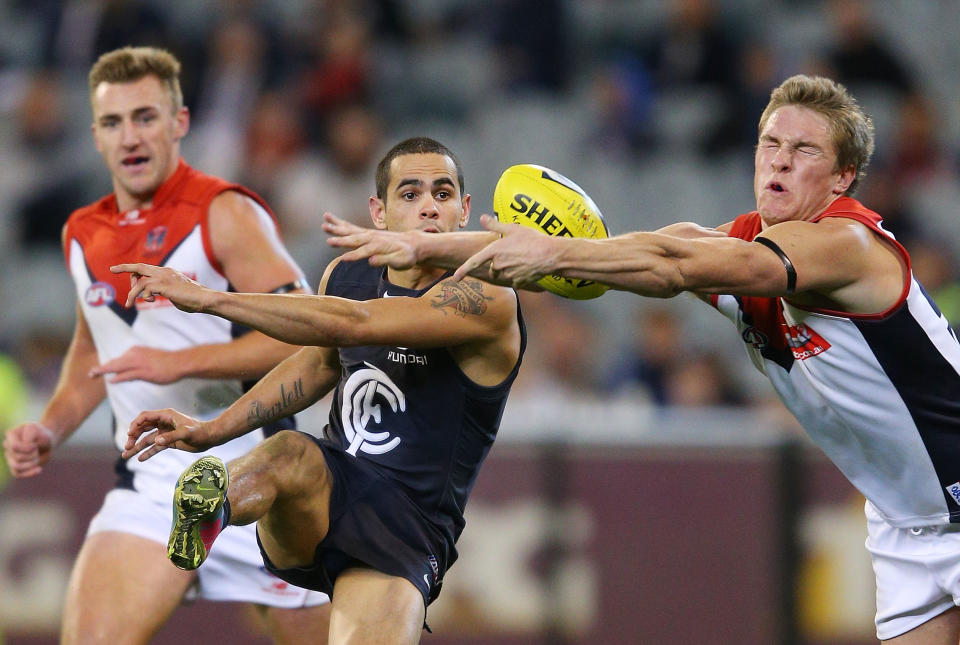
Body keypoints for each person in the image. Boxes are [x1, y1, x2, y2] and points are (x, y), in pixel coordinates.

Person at [324, 75, 960, 644]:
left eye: (805, 151)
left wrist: (551, 256)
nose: (781, 161)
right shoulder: (738, 246)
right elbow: (662, 248)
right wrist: (423, 244)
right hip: (906, 522)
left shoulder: (849, 243)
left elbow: (672, 266)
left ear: (843, 176)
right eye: (770, 144)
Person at [119, 136, 526, 644]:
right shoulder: (349, 273)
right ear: (378, 212)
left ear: (464, 210)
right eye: (410, 194)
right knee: (287, 450)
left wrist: (210, 301)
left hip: (408, 526)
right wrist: (212, 430)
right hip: (331, 490)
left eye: (443, 194)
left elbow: (354, 323)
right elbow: (316, 364)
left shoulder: (486, 294)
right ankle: (212, 506)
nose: (428, 206)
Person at [1, 46, 331, 644]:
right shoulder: (82, 231)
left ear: (179, 123)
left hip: (251, 484)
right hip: (151, 490)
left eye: (146, 117)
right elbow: (92, 352)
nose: (130, 135)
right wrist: (50, 427)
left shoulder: (224, 212)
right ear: (95, 136)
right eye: (113, 121)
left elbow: (306, 337)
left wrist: (176, 363)